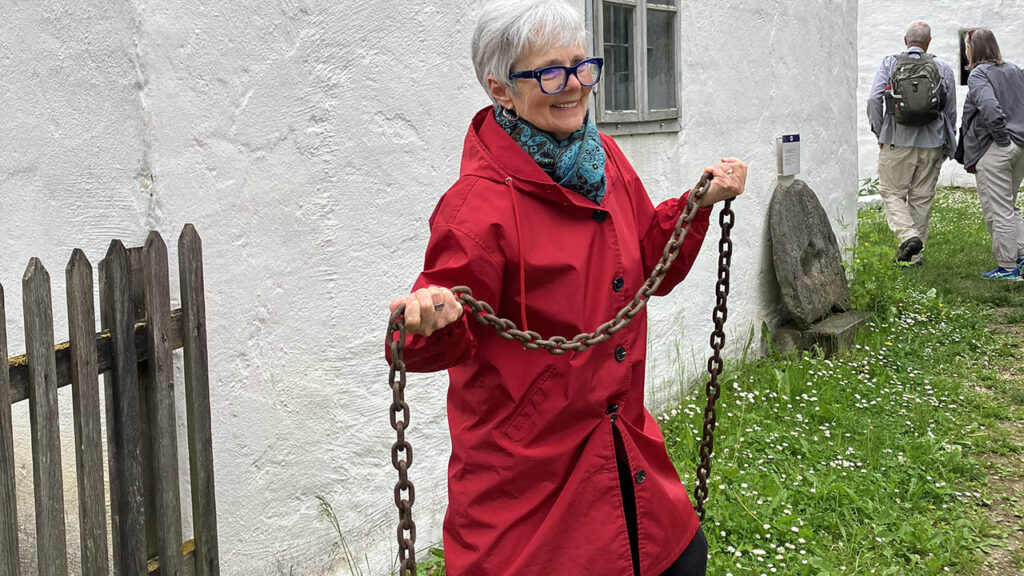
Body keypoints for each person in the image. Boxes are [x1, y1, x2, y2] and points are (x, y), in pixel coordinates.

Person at [386, 1, 745, 574]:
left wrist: (695, 206)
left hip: (621, 442)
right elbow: (431, 329)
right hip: (530, 481)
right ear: (501, 90)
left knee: (682, 558)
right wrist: (428, 320)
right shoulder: (475, 208)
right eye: (552, 72)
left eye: (584, 67)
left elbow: (650, 264)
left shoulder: (602, 159)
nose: (576, 87)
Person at [867, 21, 957, 265]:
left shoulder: (890, 63)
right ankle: (913, 254)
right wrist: (948, 142)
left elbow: (875, 99)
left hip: (896, 139)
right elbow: (950, 111)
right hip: (932, 142)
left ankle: (908, 238)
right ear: (928, 43)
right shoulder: (942, 67)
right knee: (921, 197)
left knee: (891, 192)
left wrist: (879, 132)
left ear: (906, 40)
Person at [958, 28, 1024, 281]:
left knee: (998, 209)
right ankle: (1020, 254)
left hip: (998, 147)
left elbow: (990, 108)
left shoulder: (979, 74)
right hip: (1020, 147)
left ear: (974, 48)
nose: (966, 50)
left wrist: (1002, 139)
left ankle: (1007, 268)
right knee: (1009, 205)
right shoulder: (1015, 70)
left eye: (967, 46)